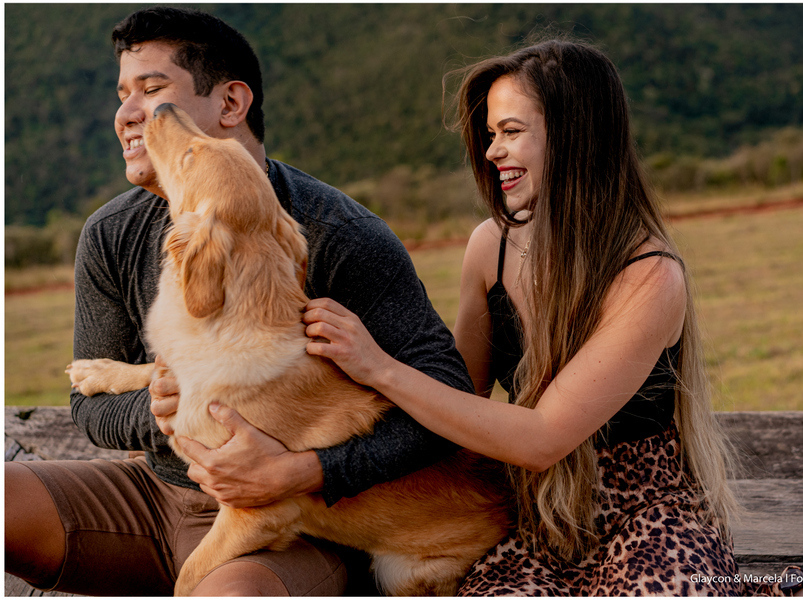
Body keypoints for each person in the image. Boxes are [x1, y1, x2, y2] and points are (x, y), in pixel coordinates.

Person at [4, 7, 473, 596]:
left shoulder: (341, 233)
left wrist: (308, 471)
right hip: (155, 495)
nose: (129, 114)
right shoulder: (109, 233)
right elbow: (89, 409)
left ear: (230, 105)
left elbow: (450, 408)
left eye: (152, 90)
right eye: (123, 94)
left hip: (293, 527)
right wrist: (158, 409)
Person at [302, 39, 745, 595]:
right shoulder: (492, 246)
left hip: (645, 516)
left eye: (510, 132)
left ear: (573, 136)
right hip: (534, 517)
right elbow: (455, 395)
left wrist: (378, 367)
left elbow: (542, 437)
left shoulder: (650, 275)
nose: (491, 152)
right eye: (491, 135)